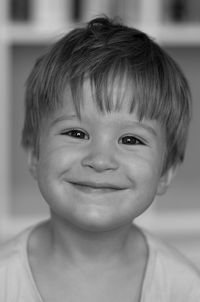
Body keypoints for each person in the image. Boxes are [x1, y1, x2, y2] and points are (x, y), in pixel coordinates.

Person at [0, 16, 199, 301]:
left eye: (131, 139)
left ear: (166, 172)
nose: (100, 160)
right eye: (76, 132)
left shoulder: (183, 289)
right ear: (34, 153)